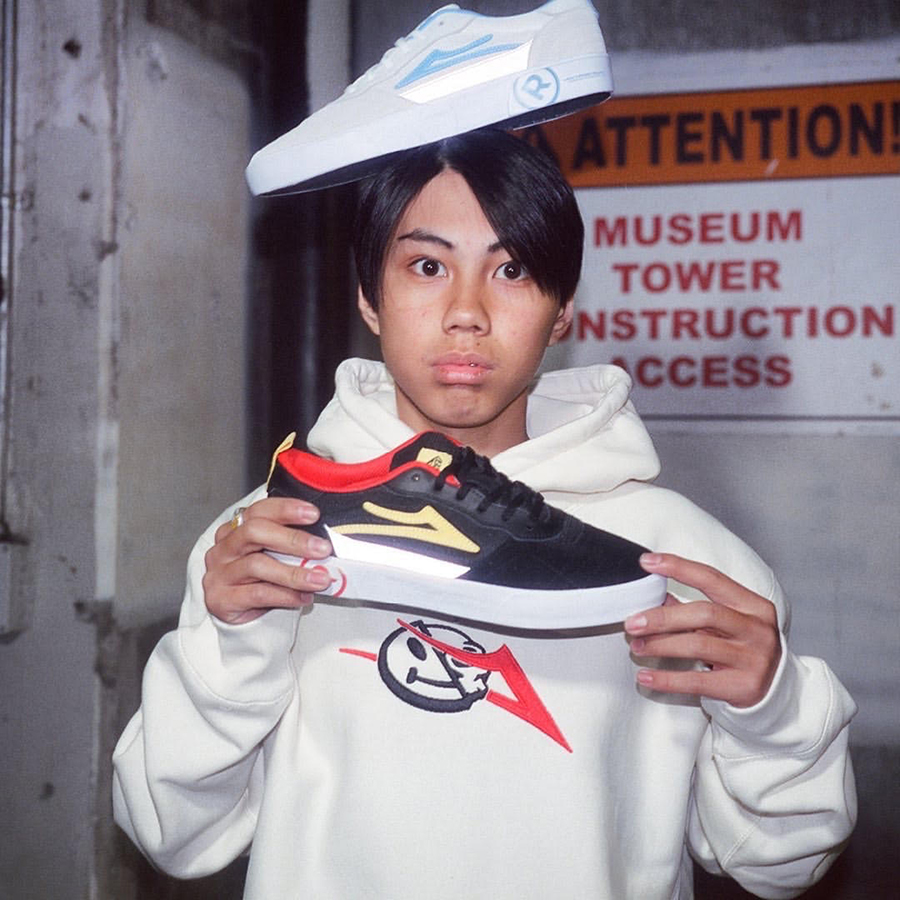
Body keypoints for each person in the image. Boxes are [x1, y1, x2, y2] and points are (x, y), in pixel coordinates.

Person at [113, 128, 856, 899]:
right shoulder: (274, 538)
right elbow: (175, 834)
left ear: (562, 309)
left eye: (512, 269)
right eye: (428, 266)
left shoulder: (672, 556)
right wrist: (234, 643)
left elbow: (780, 865)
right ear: (369, 295)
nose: (466, 312)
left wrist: (772, 711)